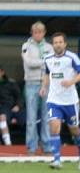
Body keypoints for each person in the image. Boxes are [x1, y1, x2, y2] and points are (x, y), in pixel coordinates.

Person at [40, 32, 80, 170]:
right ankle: (57, 159)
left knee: (75, 131)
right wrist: (44, 87)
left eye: (60, 42)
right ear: (52, 44)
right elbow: (47, 74)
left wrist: (71, 81)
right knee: (54, 127)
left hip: (70, 101)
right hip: (54, 99)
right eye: (55, 42)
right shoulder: (47, 58)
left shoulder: (72, 57)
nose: (58, 44)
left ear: (65, 44)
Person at [21, 21, 54, 156]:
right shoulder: (26, 46)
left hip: (46, 83)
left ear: (44, 33)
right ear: (32, 33)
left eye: (40, 32)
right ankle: (31, 147)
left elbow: (52, 64)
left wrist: (44, 63)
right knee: (31, 117)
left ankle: (47, 146)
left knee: (47, 117)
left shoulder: (49, 47)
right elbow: (28, 63)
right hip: (31, 83)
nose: (38, 34)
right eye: (35, 32)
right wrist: (44, 62)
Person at [0, 66, 23, 146]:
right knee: (2, 116)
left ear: (2, 72)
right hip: (3, 108)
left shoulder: (11, 83)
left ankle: (8, 143)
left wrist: (18, 106)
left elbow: (19, 96)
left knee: (2, 116)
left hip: (12, 107)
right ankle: (7, 143)